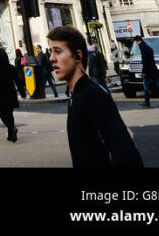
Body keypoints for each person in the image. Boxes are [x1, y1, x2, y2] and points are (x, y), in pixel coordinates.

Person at [48, 25, 143, 169]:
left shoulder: (93, 96)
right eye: (51, 52)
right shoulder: (76, 96)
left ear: (78, 56)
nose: (51, 58)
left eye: (58, 52)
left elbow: (126, 154)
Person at [0, 47, 21, 141]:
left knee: (2, 113)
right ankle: (11, 135)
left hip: (0, 93)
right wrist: (22, 93)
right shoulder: (11, 67)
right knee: (10, 114)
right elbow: (17, 81)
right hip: (10, 92)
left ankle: (12, 129)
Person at [134, 35, 159, 108]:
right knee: (158, 85)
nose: (137, 43)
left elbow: (145, 61)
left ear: (138, 41)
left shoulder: (143, 48)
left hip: (148, 71)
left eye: (136, 42)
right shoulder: (147, 47)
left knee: (146, 85)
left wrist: (144, 72)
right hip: (153, 69)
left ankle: (147, 102)